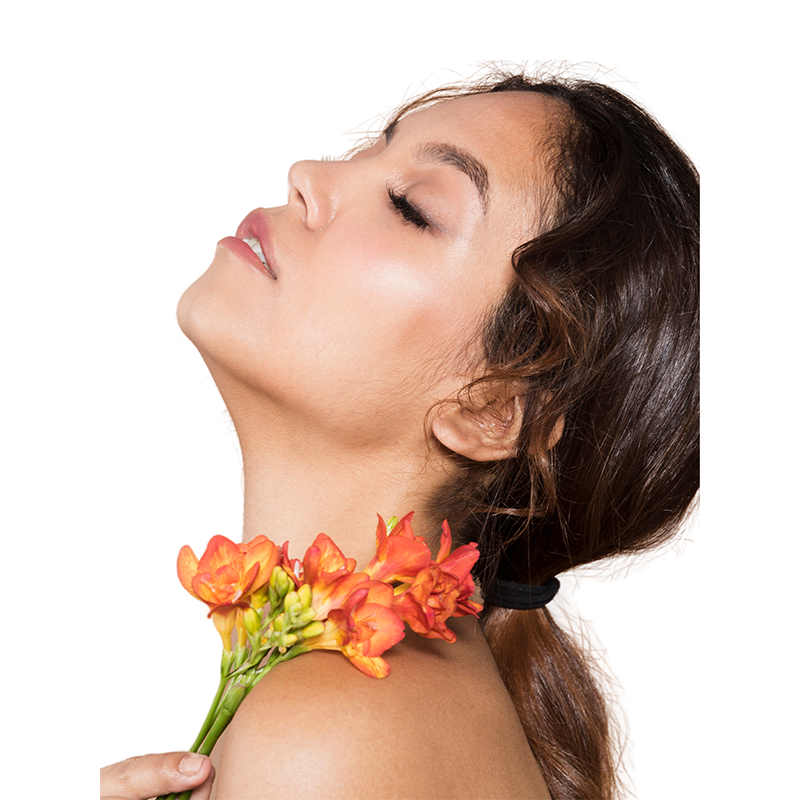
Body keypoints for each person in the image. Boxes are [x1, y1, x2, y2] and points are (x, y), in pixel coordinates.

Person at [100, 69, 698, 800]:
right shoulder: (367, 707)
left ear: (490, 408)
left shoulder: (330, 732)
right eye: (367, 152)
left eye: (412, 208)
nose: (307, 175)